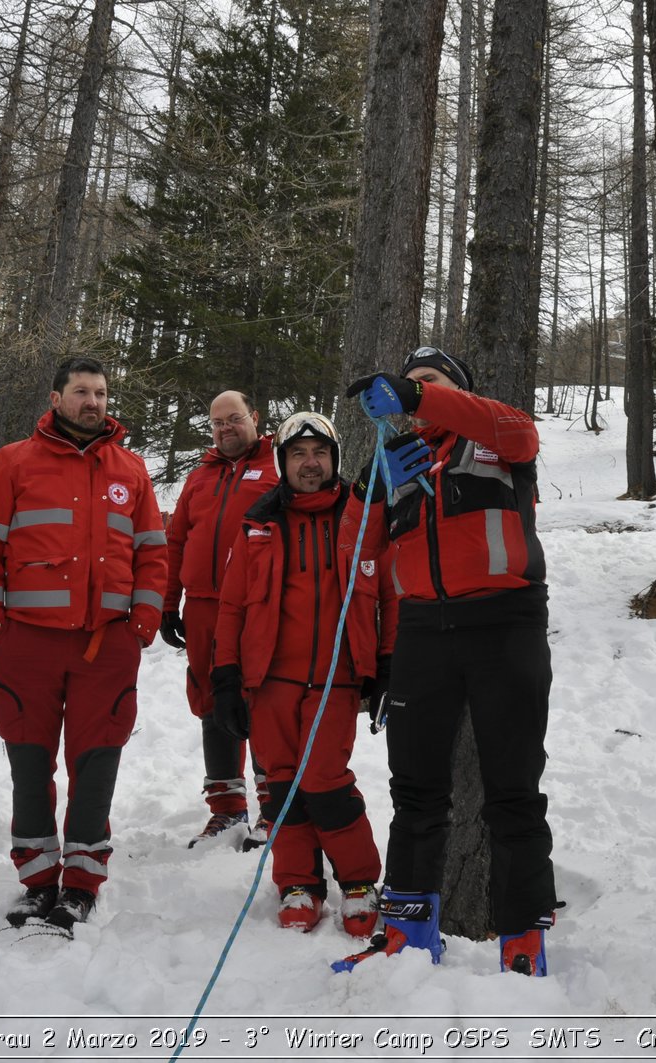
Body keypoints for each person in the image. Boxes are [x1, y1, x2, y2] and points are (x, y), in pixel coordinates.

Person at [334, 346, 559, 976]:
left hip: (505, 622)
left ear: (454, 389)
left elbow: (518, 429)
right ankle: (407, 931)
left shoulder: (496, 440)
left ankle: (523, 938)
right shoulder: (397, 463)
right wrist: (373, 487)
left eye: (428, 383)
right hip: (424, 631)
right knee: (416, 790)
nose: (414, 391)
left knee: (512, 790)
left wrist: (418, 397)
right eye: (409, 384)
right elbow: (354, 552)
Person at [0, 357, 167, 930]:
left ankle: (81, 880)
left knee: (95, 762)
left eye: (101, 393)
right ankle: (35, 879)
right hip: (26, 644)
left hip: (106, 646)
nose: (94, 402)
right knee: (29, 762)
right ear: (56, 399)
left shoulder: (130, 469)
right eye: (81, 392)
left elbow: (153, 549)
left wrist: (143, 621)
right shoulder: (14, 462)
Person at [210, 412, 395, 936]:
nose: (309, 464)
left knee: (325, 782)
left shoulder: (359, 519)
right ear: (282, 463)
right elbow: (232, 606)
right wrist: (225, 674)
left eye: (319, 453)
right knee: (282, 786)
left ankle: (358, 882)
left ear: (334, 460)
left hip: (336, 679)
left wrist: (386, 662)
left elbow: (387, 594)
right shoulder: (259, 522)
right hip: (270, 681)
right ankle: (298, 883)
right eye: (298, 454)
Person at [163, 391, 279, 848]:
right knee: (211, 700)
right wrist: (168, 603)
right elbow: (175, 543)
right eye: (217, 423)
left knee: (262, 699)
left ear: (255, 417)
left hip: (258, 608)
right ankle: (227, 808)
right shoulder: (199, 477)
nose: (226, 428)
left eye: (234, 419)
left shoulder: (278, 467)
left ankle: (274, 808)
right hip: (205, 607)